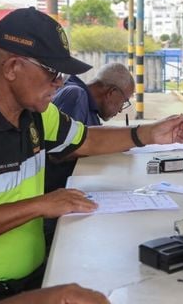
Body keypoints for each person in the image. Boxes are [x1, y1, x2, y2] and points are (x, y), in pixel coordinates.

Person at [0, 7, 183, 303]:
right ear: (11, 68)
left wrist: (147, 135)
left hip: (29, 279)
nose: (59, 82)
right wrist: (42, 204)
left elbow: (84, 139)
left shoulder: (35, 114)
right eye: (51, 71)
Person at [43, 63, 135, 246]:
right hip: (56, 204)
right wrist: (107, 144)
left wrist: (111, 141)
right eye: (124, 101)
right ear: (111, 92)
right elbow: (61, 150)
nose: (120, 110)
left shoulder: (87, 105)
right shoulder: (76, 95)